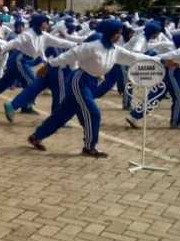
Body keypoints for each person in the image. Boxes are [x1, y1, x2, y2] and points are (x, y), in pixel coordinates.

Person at [27, 21, 155, 157]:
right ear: (109, 32)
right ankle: (89, 147)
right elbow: (71, 54)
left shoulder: (115, 50)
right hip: (79, 81)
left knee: (63, 114)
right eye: (117, 32)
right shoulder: (93, 46)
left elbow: (134, 57)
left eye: (120, 33)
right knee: (93, 113)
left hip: (92, 82)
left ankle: (36, 136)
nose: (119, 36)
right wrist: (49, 65)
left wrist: (160, 61)